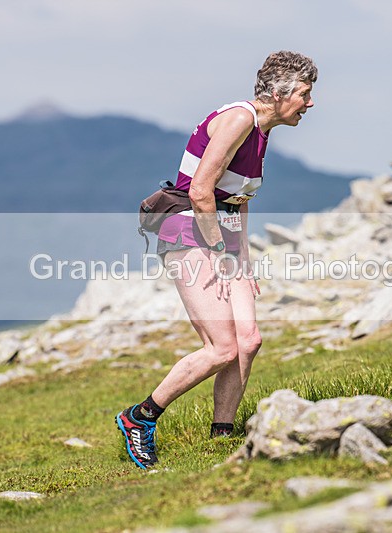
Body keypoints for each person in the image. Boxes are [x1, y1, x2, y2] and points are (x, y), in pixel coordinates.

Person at [116, 50, 317, 469]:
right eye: (305, 93)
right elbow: (201, 190)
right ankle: (140, 418)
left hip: (221, 237)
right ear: (279, 95)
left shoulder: (261, 130)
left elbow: (238, 200)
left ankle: (221, 436)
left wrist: (242, 258)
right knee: (222, 347)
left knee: (248, 341)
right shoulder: (239, 118)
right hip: (190, 230)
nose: (310, 103)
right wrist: (221, 256)